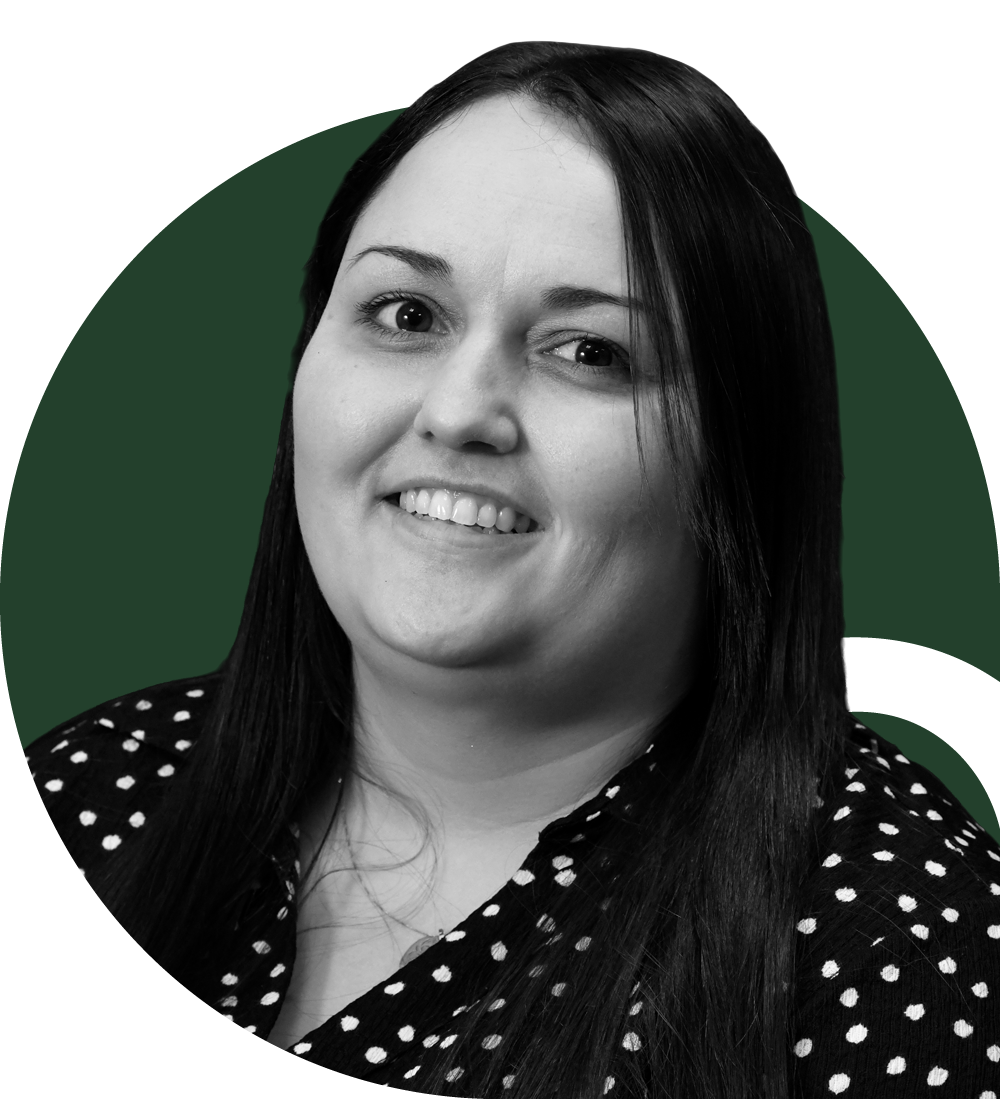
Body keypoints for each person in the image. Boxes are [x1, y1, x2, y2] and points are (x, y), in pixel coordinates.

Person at [13, 41, 999, 1100]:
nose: (458, 411)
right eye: (405, 315)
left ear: (739, 460)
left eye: (589, 351)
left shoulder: (895, 941)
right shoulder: (85, 795)